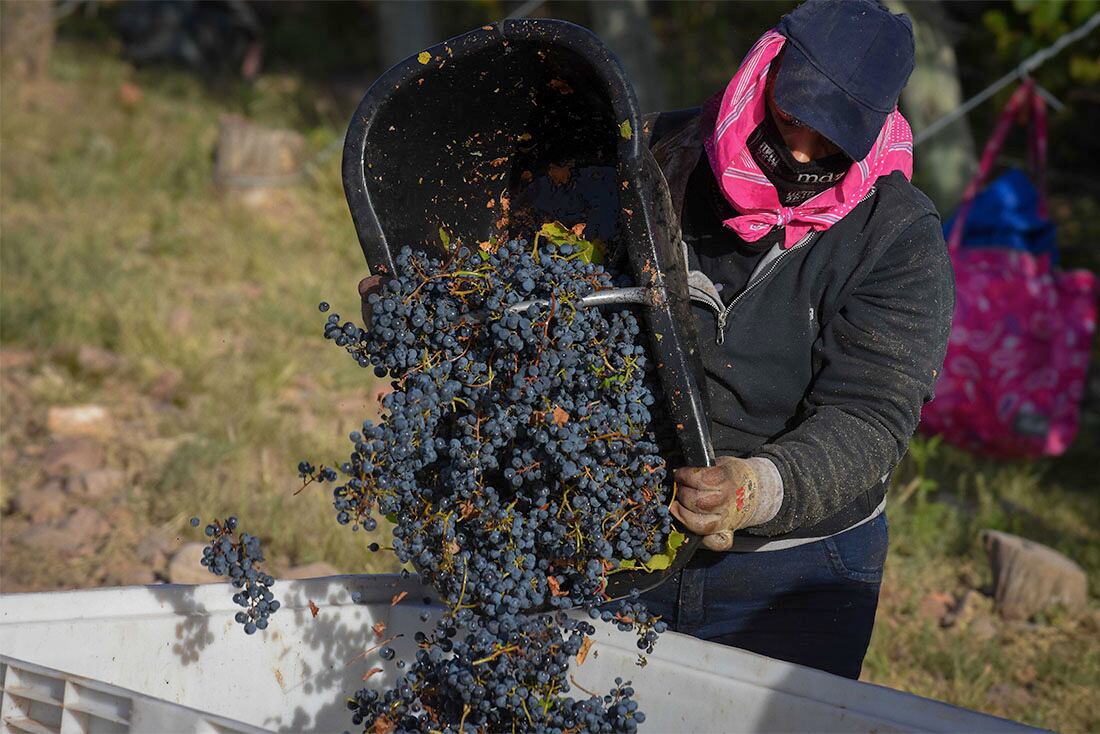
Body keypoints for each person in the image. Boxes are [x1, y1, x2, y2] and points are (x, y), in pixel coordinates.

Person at [636, 0, 954, 679]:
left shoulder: (895, 237)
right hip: (629, 536)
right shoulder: (656, 159)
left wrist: (752, 489)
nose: (801, 155)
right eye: (789, 120)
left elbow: (871, 414)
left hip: (797, 578)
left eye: (833, 142)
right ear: (767, 68)